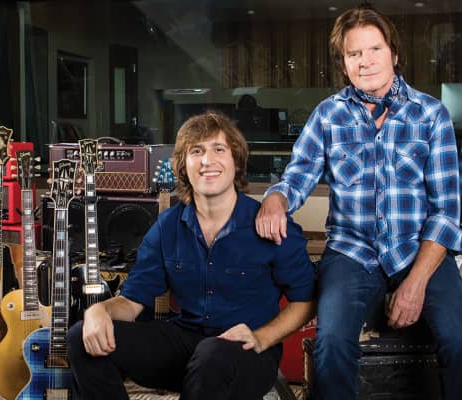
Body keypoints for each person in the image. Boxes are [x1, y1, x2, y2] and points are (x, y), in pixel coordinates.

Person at [255, 6, 462, 400]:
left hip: (418, 251)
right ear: (343, 63)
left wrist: (415, 283)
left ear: (394, 53)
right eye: (354, 53)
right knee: (331, 345)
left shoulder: (431, 114)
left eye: (375, 49)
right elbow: (298, 176)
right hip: (351, 252)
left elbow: (447, 214)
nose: (365, 61)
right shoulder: (328, 115)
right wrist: (275, 199)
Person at [67, 111, 316, 400]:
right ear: (184, 166)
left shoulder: (271, 225)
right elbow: (132, 302)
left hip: (247, 353)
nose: (207, 161)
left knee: (213, 354)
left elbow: (307, 300)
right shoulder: (168, 226)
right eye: (197, 151)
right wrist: (99, 311)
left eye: (218, 149)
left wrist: (261, 338)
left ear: (236, 162)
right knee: (80, 336)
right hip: (186, 345)